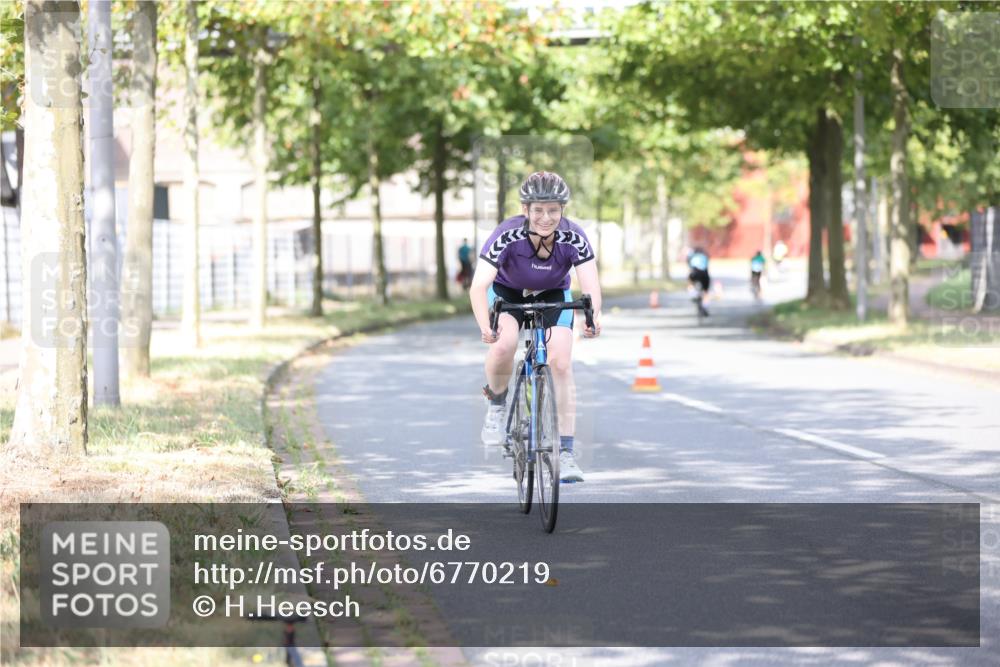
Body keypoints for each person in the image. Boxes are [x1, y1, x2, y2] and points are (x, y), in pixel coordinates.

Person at [469, 171, 601, 483]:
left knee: (560, 361)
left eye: (553, 210)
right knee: (504, 343)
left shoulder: (573, 236)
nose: (546, 217)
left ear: (562, 210)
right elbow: (478, 287)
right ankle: (498, 405)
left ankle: (565, 453)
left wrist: (594, 319)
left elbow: (590, 285)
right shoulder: (507, 234)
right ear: (525, 209)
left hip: (553, 292)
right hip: (507, 291)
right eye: (538, 210)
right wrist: (484, 327)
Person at [687, 246, 710, 317]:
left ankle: (692, 294)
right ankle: (705, 307)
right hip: (704, 274)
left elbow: (689, 266)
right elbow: (706, 267)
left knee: (690, 281)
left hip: (694, 273)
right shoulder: (704, 256)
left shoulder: (692, 256)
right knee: (706, 291)